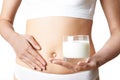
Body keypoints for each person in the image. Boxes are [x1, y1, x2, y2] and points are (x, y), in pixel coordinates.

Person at [0, 0, 120, 80]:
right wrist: (14, 40)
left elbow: (118, 31)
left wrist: (97, 60)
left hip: (79, 75)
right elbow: (4, 20)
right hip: (28, 71)